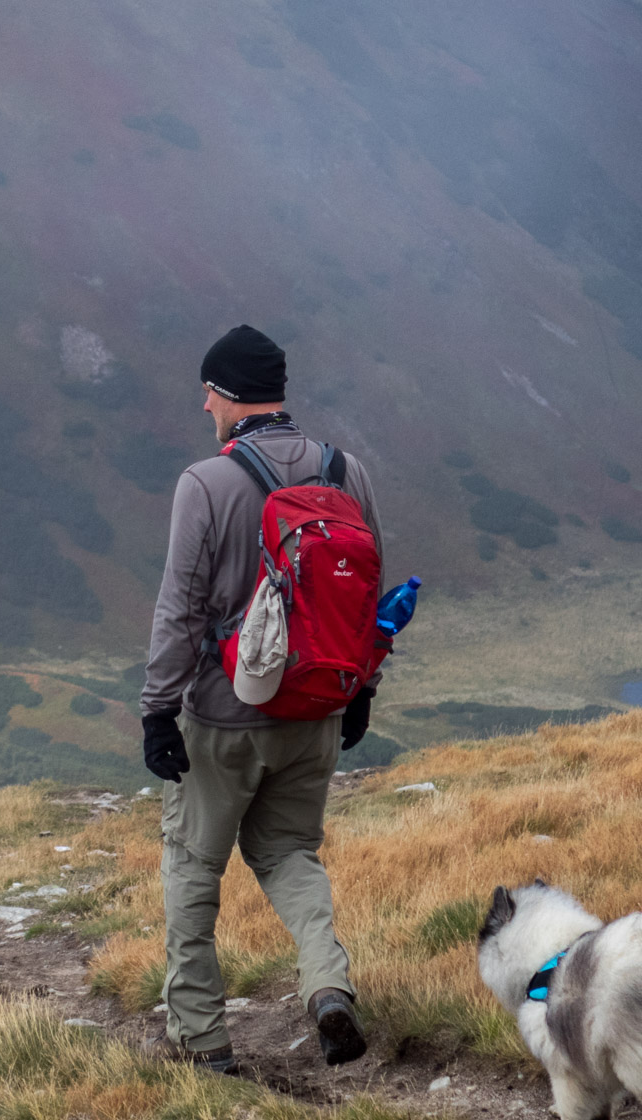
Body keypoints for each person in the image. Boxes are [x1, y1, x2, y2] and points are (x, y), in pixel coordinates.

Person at [139, 324, 382, 1073]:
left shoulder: (205, 483)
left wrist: (157, 707)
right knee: (289, 853)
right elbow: (368, 593)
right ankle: (327, 986)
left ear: (228, 395)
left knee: (192, 868)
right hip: (316, 710)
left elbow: (180, 606)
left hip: (226, 715)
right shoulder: (347, 472)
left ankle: (201, 1039)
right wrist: (362, 688)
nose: (203, 403)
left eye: (207, 390)